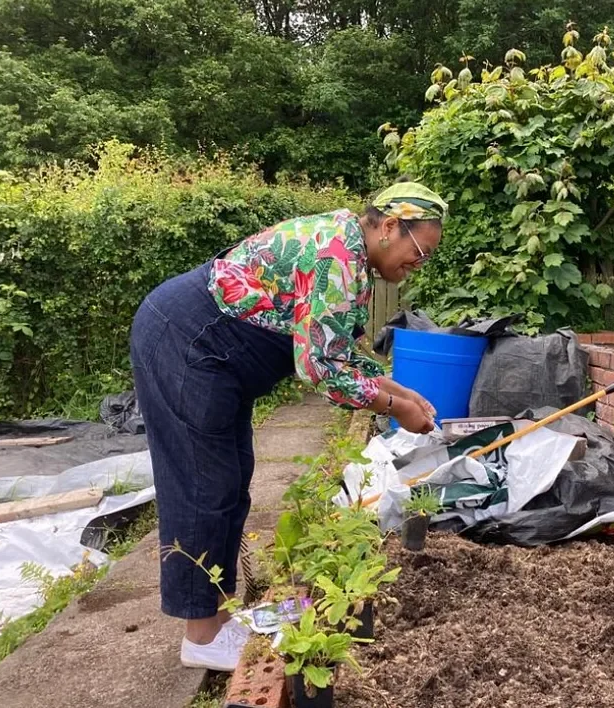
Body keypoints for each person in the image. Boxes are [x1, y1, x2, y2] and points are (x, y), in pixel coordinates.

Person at [129, 181, 448, 671]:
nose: (418, 264)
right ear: (389, 227)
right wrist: (394, 406)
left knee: (230, 479)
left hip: (209, 355)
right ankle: (201, 636)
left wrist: (400, 392)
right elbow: (319, 367)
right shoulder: (337, 258)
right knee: (202, 486)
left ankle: (218, 619)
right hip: (185, 342)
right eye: (420, 251)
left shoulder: (351, 254)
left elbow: (337, 350)